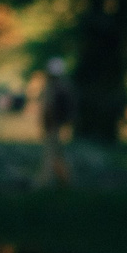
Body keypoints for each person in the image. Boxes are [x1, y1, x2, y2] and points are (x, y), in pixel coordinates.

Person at [35, 56, 75, 187]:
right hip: (57, 126)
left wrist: (48, 124)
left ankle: (45, 182)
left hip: (54, 126)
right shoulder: (63, 87)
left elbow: (49, 109)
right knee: (57, 154)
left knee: (51, 155)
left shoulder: (54, 88)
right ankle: (64, 180)